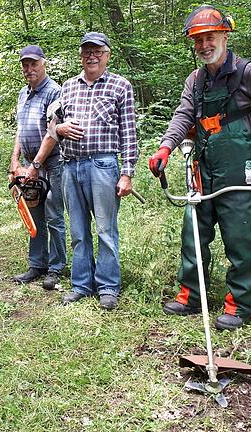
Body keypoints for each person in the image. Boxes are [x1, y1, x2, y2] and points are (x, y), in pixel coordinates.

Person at [148, 5, 251, 330]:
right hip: (202, 166)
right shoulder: (196, 80)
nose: (204, 45)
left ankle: (239, 305)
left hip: (239, 168)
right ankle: (192, 295)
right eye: (198, 40)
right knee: (194, 231)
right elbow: (183, 116)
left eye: (210, 37)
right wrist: (166, 147)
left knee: (239, 236)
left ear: (224, 36)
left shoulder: (249, 73)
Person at [55, 32, 139, 310]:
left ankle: (108, 286)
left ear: (107, 54)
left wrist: (126, 173)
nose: (91, 56)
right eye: (87, 51)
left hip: (103, 166)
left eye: (97, 51)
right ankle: (81, 284)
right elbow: (53, 126)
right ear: (81, 56)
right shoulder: (67, 87)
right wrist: (59, 129)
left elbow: (129, 132)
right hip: (70, 166)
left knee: (105, 229)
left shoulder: (120, 86)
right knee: (78, 230)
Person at [8, 45, 67, 290]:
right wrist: (15, 161)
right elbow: (21, 129)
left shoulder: (55, 92)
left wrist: (36, 165)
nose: (29, 69)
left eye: (33, 64)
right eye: (25, 65)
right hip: (29, 164)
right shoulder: (23, 93)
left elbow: (52, 133)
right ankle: (37, 264)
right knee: (33, 213)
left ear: (44, 63)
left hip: (51, 163)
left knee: (54, 215)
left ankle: (56, 268)